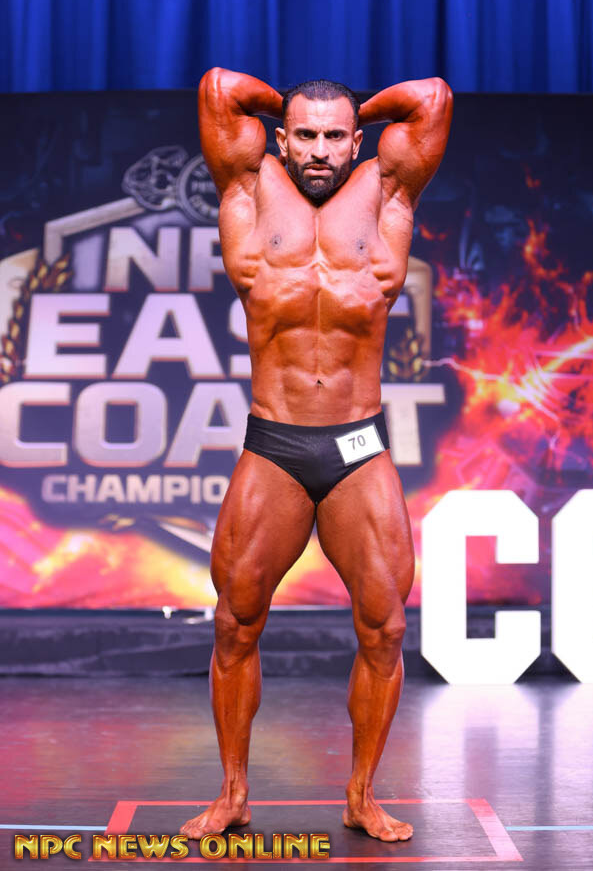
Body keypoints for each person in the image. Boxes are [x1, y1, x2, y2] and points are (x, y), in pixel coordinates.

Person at [181, 68, 453, 843]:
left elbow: (432, 98)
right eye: (304, 134)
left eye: (336, 135)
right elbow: (218, 88)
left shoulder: (387, 194)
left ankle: (361, 795)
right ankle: (233, 793)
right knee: (235, 624)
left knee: (386, 630)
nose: (321, 149)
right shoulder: (248, 187)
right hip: (275, 444)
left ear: (358, 141)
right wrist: (287, 103)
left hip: (357, 447)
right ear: (282, 137)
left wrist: (354, 106)